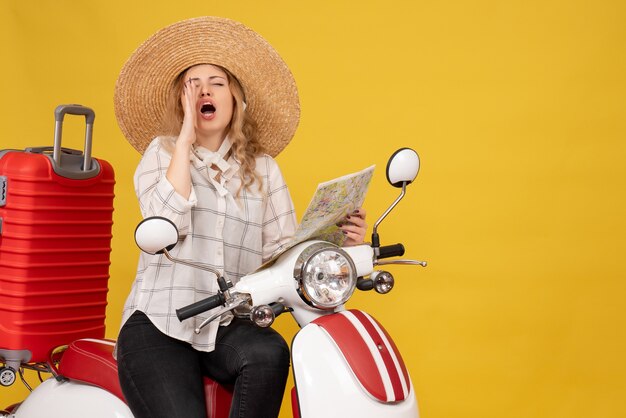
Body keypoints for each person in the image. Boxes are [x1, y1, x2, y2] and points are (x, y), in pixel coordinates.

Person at [112, 16, 367, 418]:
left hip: (226, 323)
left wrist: (339, 244)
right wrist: (184, 139)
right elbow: (164, 221)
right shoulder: (162, 153)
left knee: (270, 351)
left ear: (234, 97)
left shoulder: (263, 168)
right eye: (191, 85)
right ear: (182, 100)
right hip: (159, 324)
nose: (204, 91)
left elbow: (282, 253)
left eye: (216, 81)